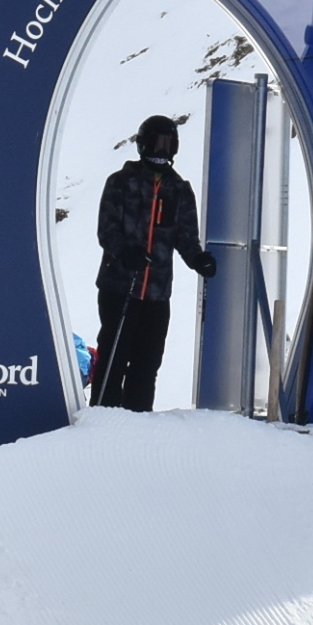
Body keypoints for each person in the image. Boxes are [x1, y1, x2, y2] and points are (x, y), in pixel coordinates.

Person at [92, 115, 216, 411]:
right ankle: (103, 419)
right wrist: (124, 252)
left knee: (146, 365)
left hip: (157, 294)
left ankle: (138, 423)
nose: (162, 151)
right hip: (120, 288)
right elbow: (107, 230)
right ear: (143, 145)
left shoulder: (179, 190)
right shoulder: (121, 183)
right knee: (114, 358)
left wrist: (198, 259)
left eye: (168, 145)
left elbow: (186, 237)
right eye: (156, 143)